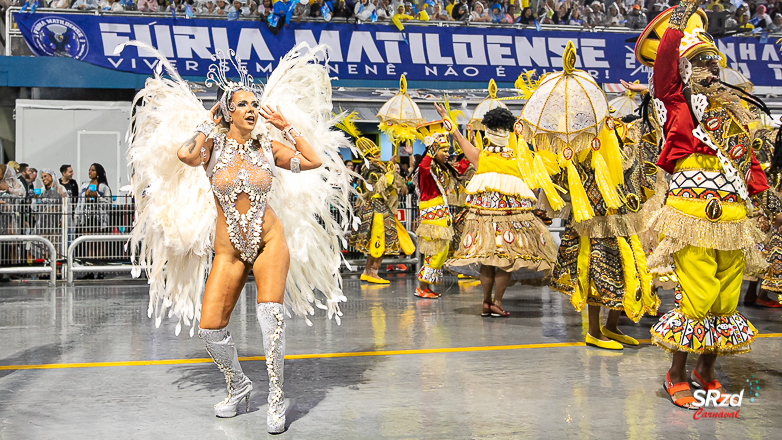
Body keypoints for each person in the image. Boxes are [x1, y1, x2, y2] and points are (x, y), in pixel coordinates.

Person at [125, 42, 352, 433]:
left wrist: (287, 128)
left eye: (254, 104)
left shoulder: (268, 146)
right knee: (211, 327)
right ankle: (239, 385)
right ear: (229, 112)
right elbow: (184, 154)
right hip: (229, 251)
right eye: (243, 104)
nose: (251, 109)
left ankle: (277, 399)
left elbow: (313, 161)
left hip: (268, 242)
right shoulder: (211, 148)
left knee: (270, 318)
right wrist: (206, 122)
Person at [636, 1, 782, 409]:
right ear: (682, 71)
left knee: (725, 301)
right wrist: (677, 29)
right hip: (692, 216)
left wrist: (765, 194)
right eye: (699, 64)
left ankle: (707, 369)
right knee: (696, 298)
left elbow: (749, 160)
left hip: (734, 218)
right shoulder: (675, 102)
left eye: (713, 64)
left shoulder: (732, 112)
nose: (710, 72)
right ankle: (677, 373)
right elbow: (663, 70)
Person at [443, 105, 557, 317]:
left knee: (487, 260)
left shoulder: (481, 157)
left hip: (482, 219)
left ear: (487, 132)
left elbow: (460, 140)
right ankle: (496, 302)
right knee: (504, 260)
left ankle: (486, 302)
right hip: (511, 219)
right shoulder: (519, 160)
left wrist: (447, 120)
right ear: (508, 133)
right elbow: (533, 187)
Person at [413, 119, 459, 298]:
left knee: (441, 253)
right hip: (432, 219)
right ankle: (422, 288)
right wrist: (432, 147)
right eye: (444, 150)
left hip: (441, 217)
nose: (448, 154)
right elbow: (424, 166)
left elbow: (461, 167)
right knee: (433, 253)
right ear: (433, 151)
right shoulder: (426, 170)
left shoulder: (440, 169)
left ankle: (426, 288)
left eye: (448, 150)